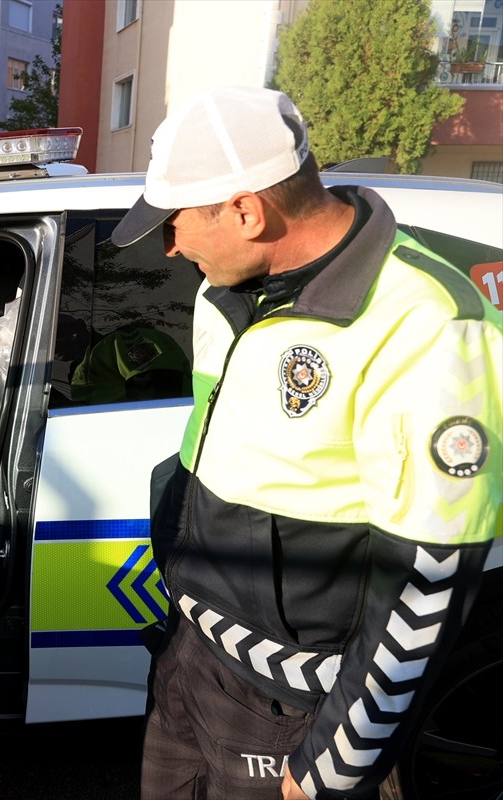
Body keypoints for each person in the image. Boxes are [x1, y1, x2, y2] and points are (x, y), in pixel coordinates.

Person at [110, 86, 501, 799]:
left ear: (245, 210)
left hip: (288, 707)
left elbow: (429, 575)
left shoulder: (428, 323)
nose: (168, 246)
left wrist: (333, 763)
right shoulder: (227, 290)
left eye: (173, 223)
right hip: (191, 658)